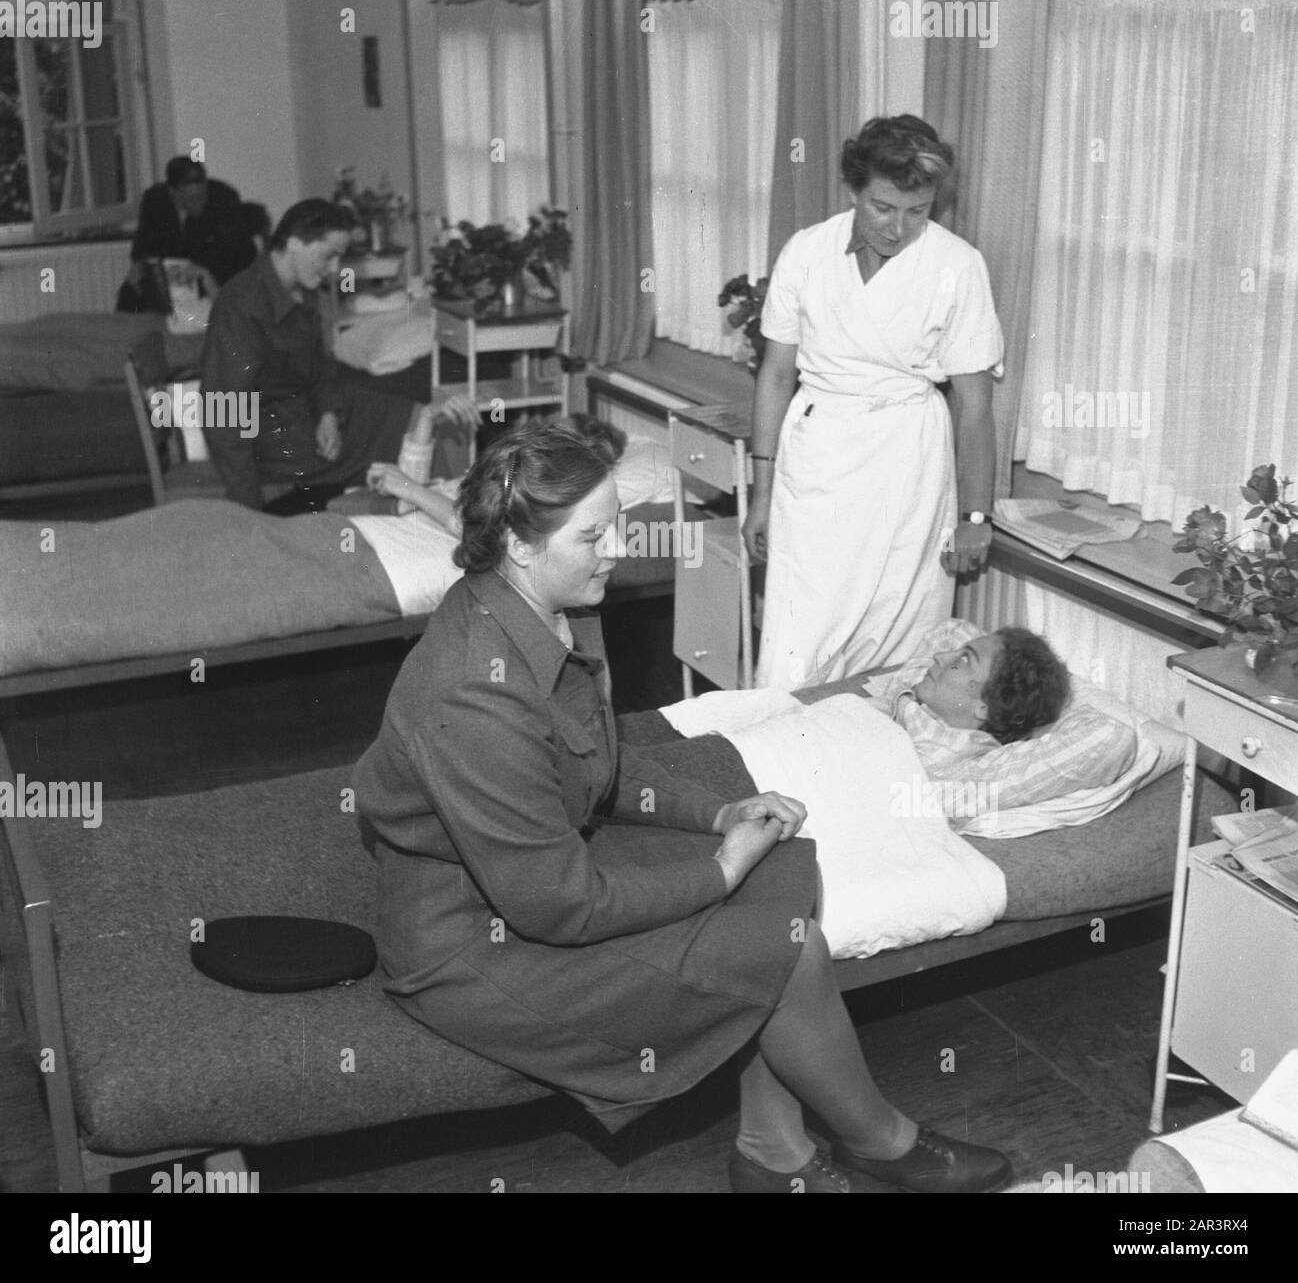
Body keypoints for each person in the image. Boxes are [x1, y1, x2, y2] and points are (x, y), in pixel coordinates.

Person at [352, 423, 1014, 1193]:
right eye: (595, 534)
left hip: (530, 871)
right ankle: (874, 1144)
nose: (619, 550)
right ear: (521, 545)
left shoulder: (555, 608)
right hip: (470, 943)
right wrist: (719, 871)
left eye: (618, 526)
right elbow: (559, 907)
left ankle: (775, 1151)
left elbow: (594, 764)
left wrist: (717, 817)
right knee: (782, 940)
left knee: (785, 869)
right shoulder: (475, 689)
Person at [744, 115, 1004, 688]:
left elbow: (976, 407)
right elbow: (776, 374)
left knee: (897, 633)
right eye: (883, 207)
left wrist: (976, 517)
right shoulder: (807, 251)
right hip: (817, 460)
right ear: (855, 190)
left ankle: (871, 759)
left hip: (908, 462)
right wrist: (760, 492)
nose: (899, 227)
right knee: (798, 636)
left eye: (917, 211)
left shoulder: (958, 266)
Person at [623, 619, 1076, 824]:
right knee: (614, 754)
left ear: (984, 708)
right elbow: (949, 629)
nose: (941, 656)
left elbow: (1112, 742)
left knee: (612, 781)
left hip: (765, 772)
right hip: (762, 742)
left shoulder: (962, 760)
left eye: (962, 662)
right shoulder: (917, 698)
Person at [201, 198, 477, 513]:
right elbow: (222, 410)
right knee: (407, 430)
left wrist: (329, 413)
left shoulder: (307, 293)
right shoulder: (242, 302)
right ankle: (427, 519)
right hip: (270, 439)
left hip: (308, 416)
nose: (334, 269)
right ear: (294, 243)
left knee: (417, 416)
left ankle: (434, 518)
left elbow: (322, 368)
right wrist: (247, 508)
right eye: (329, 255)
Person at [117, 157, 260, 311]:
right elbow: (143, 245)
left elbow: (234, 256)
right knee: (129, 292)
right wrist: (141, 266)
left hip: (210, 274)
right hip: (170, 273)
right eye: (193, 199)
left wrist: (193, 272)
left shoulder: (223, 199)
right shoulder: (155, 200)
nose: (200, 203)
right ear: (173, 192)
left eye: (202, 196)